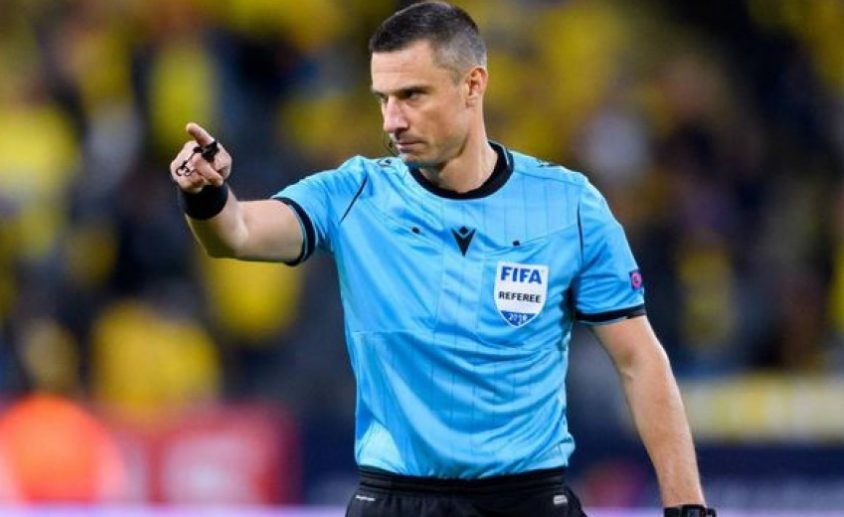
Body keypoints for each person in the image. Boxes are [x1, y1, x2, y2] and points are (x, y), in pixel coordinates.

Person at [169, 2, 714, 516]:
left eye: (412, 95)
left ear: (472, 85)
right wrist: (206, 194)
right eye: (383, 99)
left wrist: (686, 506)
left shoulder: (568, 205)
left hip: (526, 499)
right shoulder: (353, 194)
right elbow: (236, 234)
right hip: (396, 500)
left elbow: (639, 360)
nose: (392, 121)